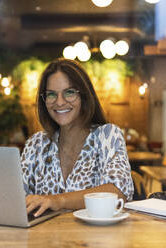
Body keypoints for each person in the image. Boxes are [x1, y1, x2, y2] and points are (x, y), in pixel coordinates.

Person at [21, 58, 134, 217]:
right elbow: (15, 196)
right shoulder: (36, 144)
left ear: (84, 96)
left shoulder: (106, 135)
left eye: (69, 92)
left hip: (96, 238)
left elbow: (118, 191)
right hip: (45, 239)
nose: (59, 102)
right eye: (51, 94)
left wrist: (57, 200)